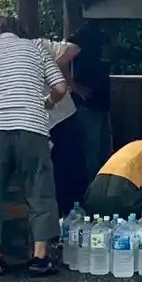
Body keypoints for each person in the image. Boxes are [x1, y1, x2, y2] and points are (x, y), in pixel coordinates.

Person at [0, 13, 66, 277]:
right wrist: (48, 102)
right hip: (32, 127)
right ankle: (40, 256)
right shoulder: (35, 48)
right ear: (19, 30)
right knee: (39, 188)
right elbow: (60, 87)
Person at [65, 0, 114, 184]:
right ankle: (88, 193)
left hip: (103, 103)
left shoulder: (105, 37)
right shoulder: (80, 37)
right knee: (90, 154)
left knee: (104, 152)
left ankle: (101, 190)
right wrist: (75, 87)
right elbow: (60, 61)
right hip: (86, 104)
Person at [42, 37, 88, 212]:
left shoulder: (39, 45)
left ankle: (73, 214)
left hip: (62, 118)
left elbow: (73, 48)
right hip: (39, 123)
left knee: (70, 171)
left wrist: (50, 67)